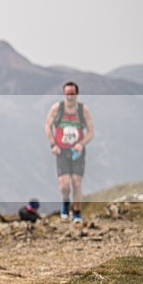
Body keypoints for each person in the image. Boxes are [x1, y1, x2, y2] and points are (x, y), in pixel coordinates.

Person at [45, 81, 95, 224]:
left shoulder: (83, 110)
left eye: (72, 94)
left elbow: (91, 131)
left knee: (77, 182)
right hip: (61, 150)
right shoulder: (57, 108)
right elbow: (48, 126)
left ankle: (77, 212)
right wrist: (53, 144)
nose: (70, 97)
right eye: (67, 94)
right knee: (64, 183)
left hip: (77, 151)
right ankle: (65, 203)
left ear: (77, 94)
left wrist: (81, 143)